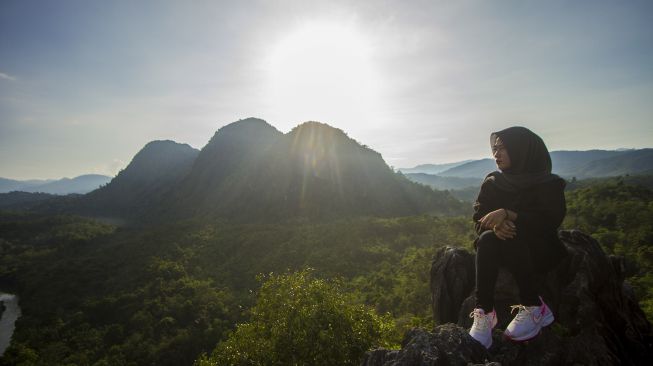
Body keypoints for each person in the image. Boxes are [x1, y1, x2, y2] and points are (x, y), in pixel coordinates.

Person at [468, 126, 567, 349]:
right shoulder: (494, 182)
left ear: (522, 150)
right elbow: (478, 220)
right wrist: (495, 228)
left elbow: (550, 221)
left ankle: (534, 307)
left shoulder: (548, 184)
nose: (496, 154)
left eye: (503, 148)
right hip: (501, 249)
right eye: (495, 149)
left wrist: (510, 215)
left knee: (511, 235)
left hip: (538, 250)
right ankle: (484, 312)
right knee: (487, 240)